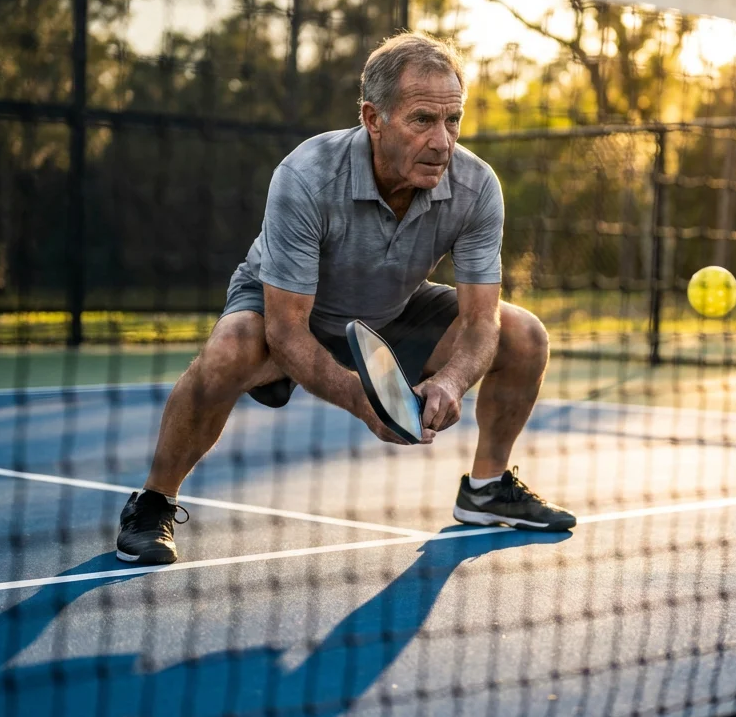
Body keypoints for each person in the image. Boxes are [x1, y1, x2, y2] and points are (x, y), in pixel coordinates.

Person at [114, 33, 577, 565]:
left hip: (394, 307)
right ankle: (154, 500)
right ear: (372, 118)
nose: (443, 141)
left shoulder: (475, 186)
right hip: (287, 306)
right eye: (422, 119)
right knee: (231, 348)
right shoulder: (307, 175)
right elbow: (286, 328)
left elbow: (480, 320)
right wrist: (365, 400)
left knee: (524, 335)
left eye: (453, 120)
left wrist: (450, 381)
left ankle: (487, 487)